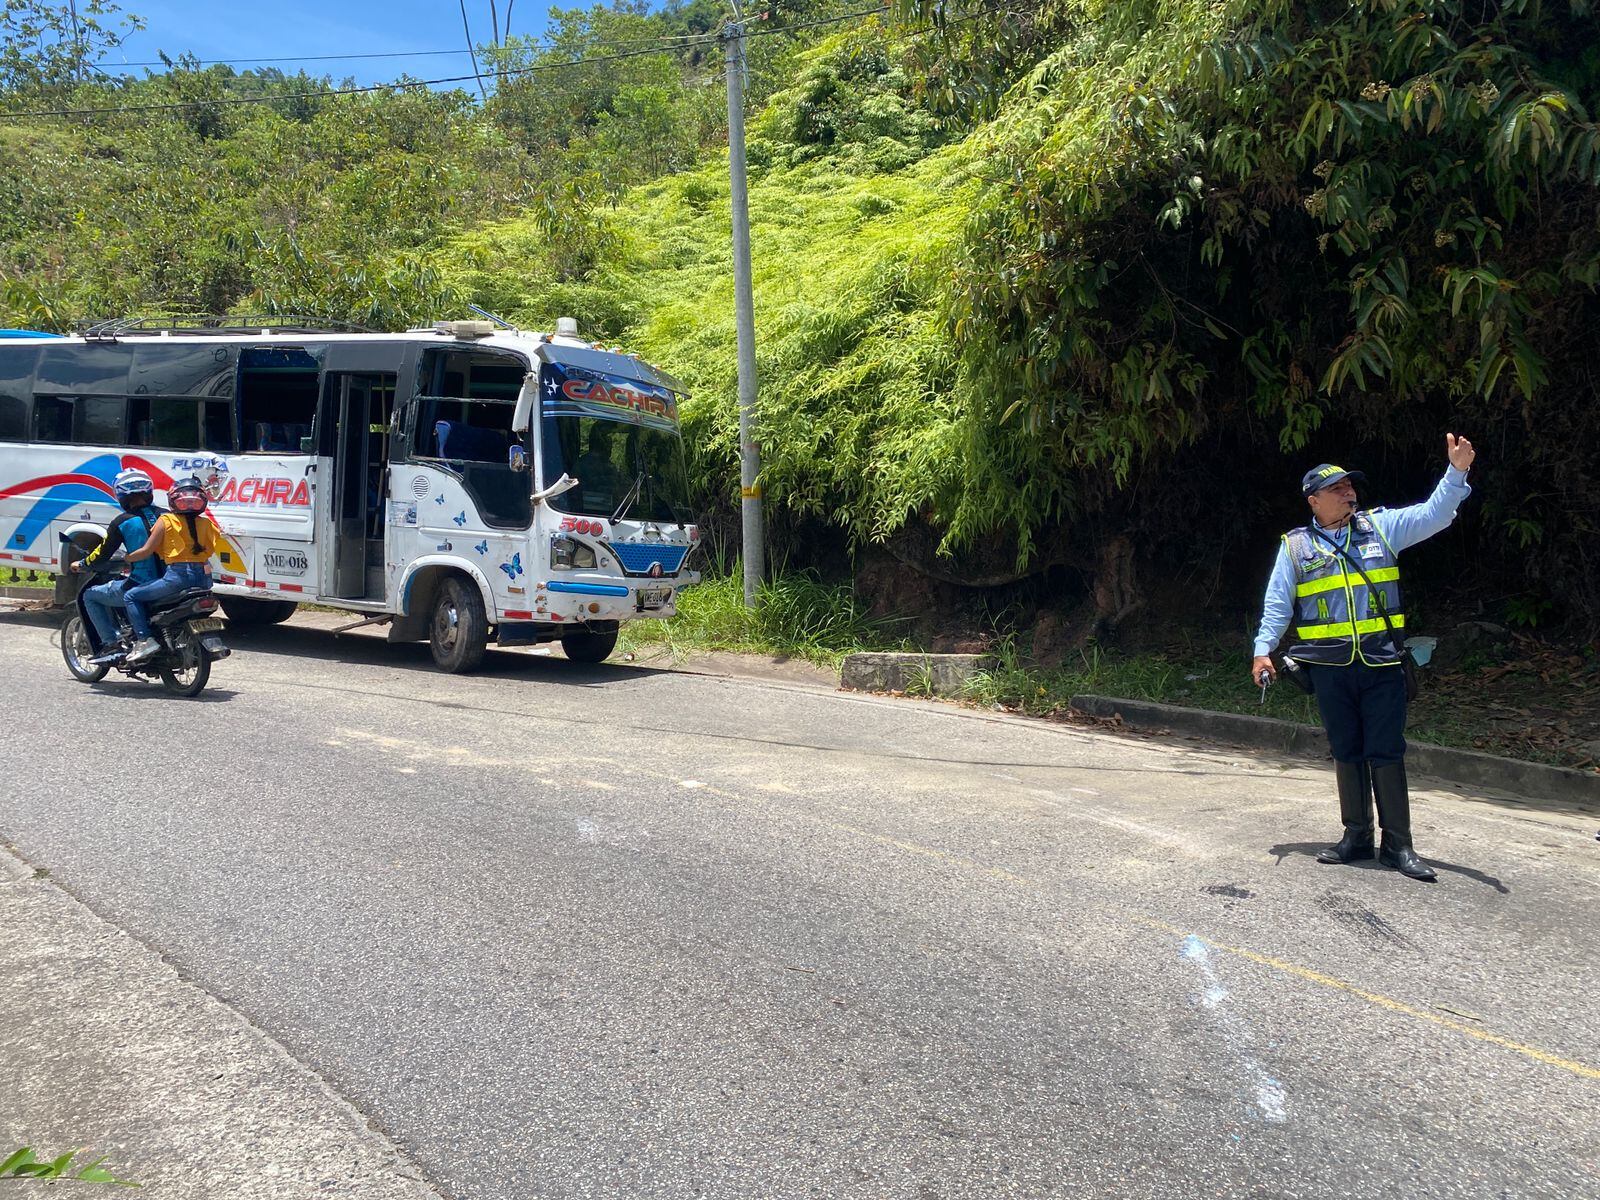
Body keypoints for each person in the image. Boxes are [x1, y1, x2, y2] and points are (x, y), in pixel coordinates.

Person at [1251, 434, 1477, 882]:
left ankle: (1398, 845)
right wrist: (1263, 649)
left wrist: (1457, 472)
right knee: (1347, 751)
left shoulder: (1382, 528)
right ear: (1314, 500)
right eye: (1337, 489)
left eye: (1350, 486)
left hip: (1381, 664)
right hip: (1330, 671)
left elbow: (1435, 515)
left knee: (1387, 751)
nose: (1348, 492)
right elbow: (1278, 602)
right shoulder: (1296, 547)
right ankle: (1356, 837)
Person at [122, 475, 219, 664]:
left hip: (177, 578)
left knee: (131, 596)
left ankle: (144, 639)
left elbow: (146, 550)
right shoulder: (207, 524)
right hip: (204, 579)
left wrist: (126, 558)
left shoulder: (166, 520)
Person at [70, 468, 166, 660]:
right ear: (149, 491)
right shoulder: (168, 515)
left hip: (142, 583)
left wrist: (82, 563)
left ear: (121, 496)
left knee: (90, 596)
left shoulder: (122, 522)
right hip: (170, 580)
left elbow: (102, 554)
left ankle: (111, 644)